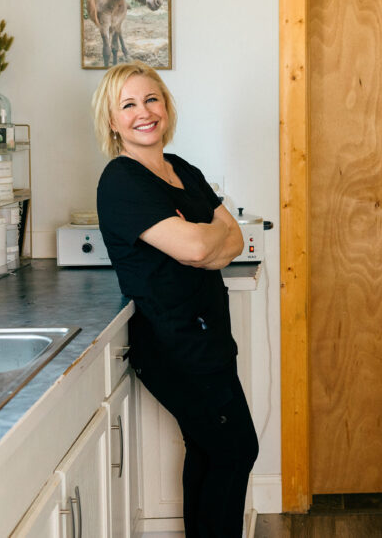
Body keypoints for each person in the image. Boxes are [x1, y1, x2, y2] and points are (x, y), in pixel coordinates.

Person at [92, 61, 258, 537]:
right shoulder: (121, 181)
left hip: (206, 334)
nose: (143, 112)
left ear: (165, 106)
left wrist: (210, 245)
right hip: (173, 344)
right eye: (127, 105)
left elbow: (232, 241)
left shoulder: (182, 169)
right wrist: (209, 243)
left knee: (210, 450)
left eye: (151, 99)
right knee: (234, 449)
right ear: (111, 121)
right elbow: (203, 245)